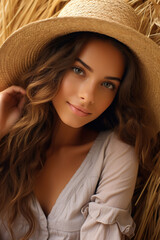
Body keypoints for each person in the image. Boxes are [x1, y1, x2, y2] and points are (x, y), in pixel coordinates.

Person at [0, 0, 159, 240]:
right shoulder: (8, 140)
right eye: (78, 70)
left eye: (107, 84)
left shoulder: (116, 151)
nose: (87, 96)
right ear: (54, 66)